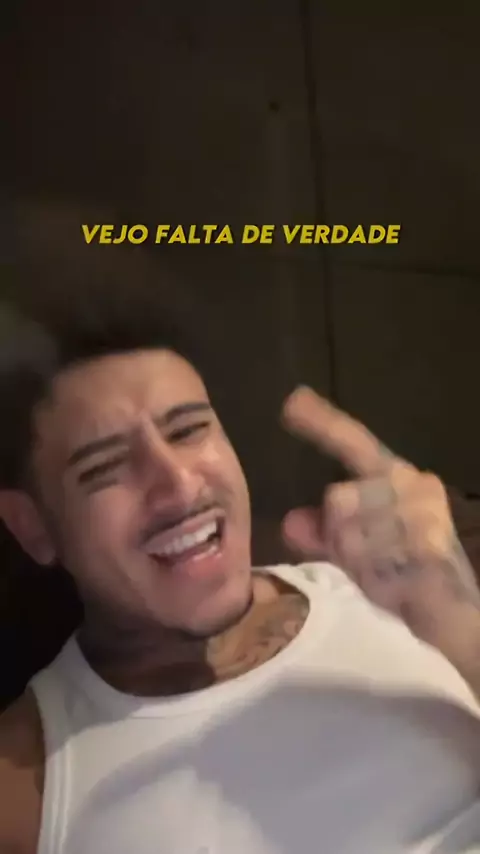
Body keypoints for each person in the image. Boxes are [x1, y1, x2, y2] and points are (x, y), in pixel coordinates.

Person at [0, 299, 479, 854]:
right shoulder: (26, 785)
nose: (180, 485)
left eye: (188, 430)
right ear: (33, 527)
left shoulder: (405, 583)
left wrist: (456, 622)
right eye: (105, 466)